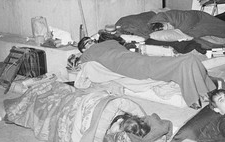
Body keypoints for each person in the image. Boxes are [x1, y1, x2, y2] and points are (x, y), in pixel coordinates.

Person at [78, 36, 216, 109]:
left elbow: (121, 47)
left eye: (90, 40)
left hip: (134, 58)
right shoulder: (87, 55)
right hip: (129, 66)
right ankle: (197, 96)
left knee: (185, 60)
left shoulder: (107, 43)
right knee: (181, 62)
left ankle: (204, 91)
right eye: (86, 44)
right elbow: (82, 72)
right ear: (84, 50)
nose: (90, 43)